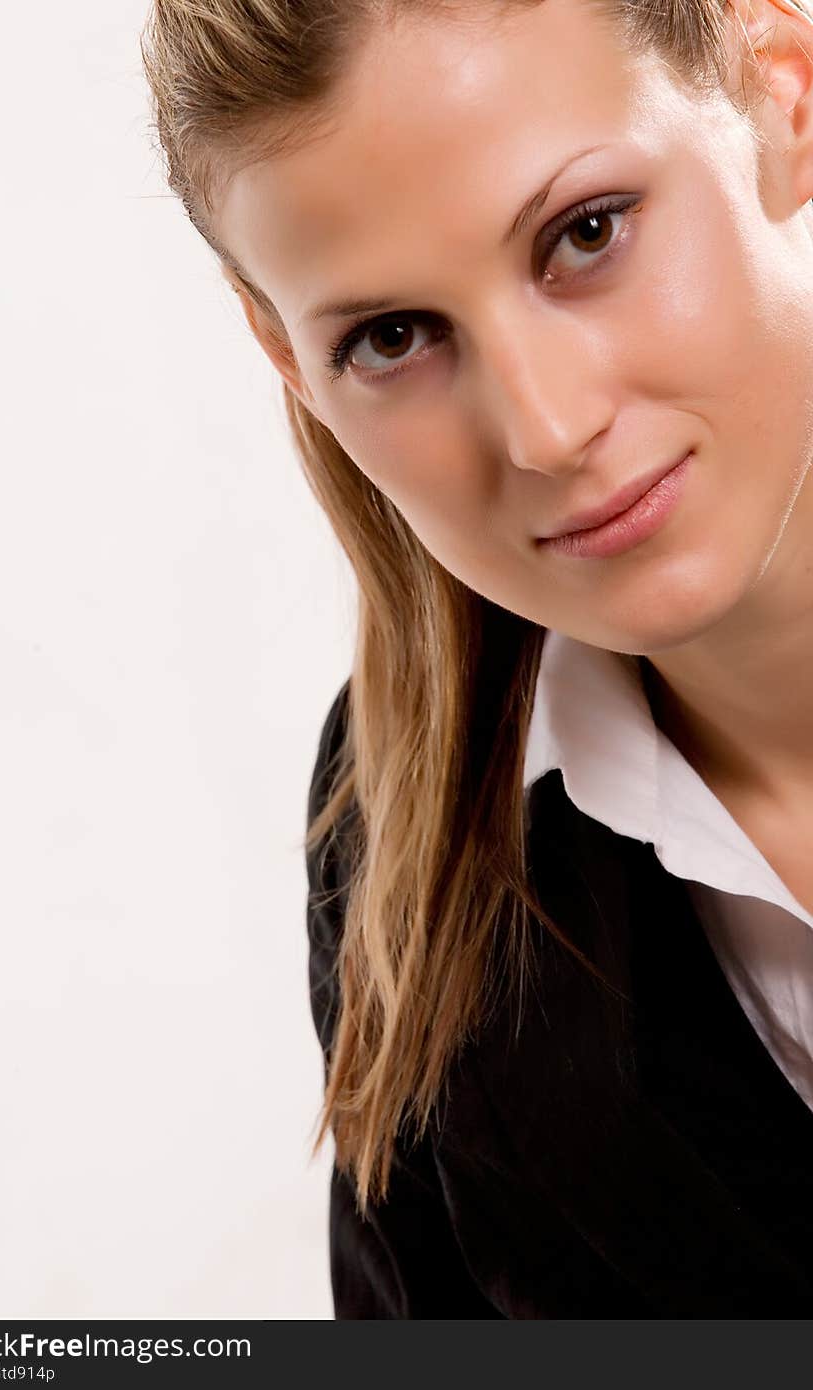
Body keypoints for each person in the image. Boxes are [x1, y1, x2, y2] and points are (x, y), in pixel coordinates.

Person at [141, 0, 813, 1316]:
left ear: (783, 90)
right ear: (285, 357)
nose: (548, 428)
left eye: (587, 232)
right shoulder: (400, 838)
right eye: (392, 336)